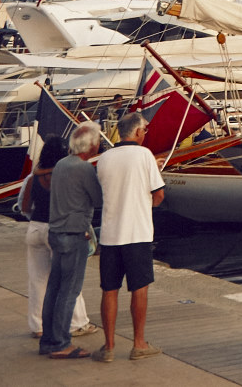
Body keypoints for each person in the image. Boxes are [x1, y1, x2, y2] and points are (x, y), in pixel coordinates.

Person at [94, 112, 164, 362]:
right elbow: (158, 195)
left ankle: (109, 346)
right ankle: (138, 344)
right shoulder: (144, 155)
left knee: (109, 290)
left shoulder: (104, 158)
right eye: (144, 129)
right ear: (136, 132)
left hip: (111, 234)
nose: (145, 133)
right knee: (139, 289)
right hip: (137, 233)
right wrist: (146, 205)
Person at [40, 124, 104, 360]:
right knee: (69, 291)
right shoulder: (84, 169)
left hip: (56, 231)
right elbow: (98, 199)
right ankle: (60, 343)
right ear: (91, 145)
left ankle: (49, 340)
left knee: (54, 289)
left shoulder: (61, 165)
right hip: (73, 233)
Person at [24, 133, 93, 344]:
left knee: (37, 280)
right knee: (69, 278)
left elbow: (25, 206)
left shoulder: (33, 177)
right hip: (60, 229)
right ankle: (78, 322)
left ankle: (38, 326)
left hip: (35, 228)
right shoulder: (68, 175)